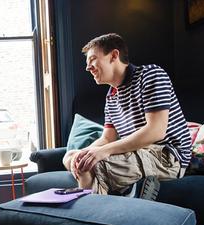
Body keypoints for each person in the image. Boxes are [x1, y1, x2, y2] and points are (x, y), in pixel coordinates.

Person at [63, 33, 191, 198]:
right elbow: (107, 138)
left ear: (114, 55)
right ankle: (128, 192)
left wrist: (103, 152)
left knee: (89, 166)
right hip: (136, 151)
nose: (88, 68)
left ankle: (95, 217)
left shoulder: (151, 75)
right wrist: (84, 152)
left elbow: (156, 131)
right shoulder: (111, 97)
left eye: (93, 59)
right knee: (71, 157)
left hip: (166, 155)